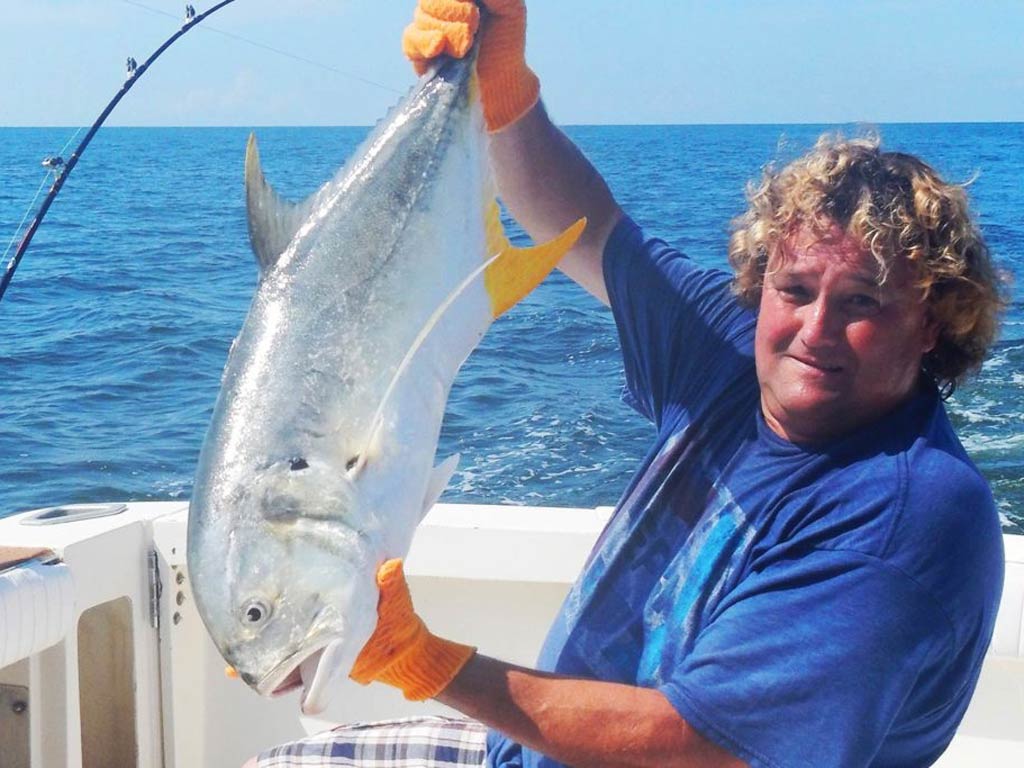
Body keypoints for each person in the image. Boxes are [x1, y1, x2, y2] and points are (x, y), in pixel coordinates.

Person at [249, 1, 1007, 766]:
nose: (814, 330)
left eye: (863, 303)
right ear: (762, 284)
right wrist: (503, 90)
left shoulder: (907, 519)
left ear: (934, 322)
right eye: (797, 290)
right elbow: (590, 226)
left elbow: (700, 750)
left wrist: (424, 660)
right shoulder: (730, 354)